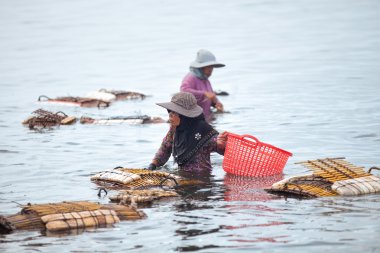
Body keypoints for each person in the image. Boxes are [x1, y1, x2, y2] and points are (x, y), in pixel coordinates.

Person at [148, 92, 228, 174]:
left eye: (174, 113)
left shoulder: (204, 131)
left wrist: (222, 144)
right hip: (182, 175)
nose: (170, 116)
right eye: (169, 112)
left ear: (184, 116)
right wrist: (153, 165)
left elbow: (224, 150)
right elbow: (165, 147)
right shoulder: (175, 128)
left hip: (201, 180)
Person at [180, 49, 225, 122]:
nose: (211, 70)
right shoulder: (190, 77)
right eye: (208, 67)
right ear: (200, 67)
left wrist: (216, 103)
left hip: (205, 119)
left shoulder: (206, 80)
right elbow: (184, 91)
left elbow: (211, 96)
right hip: (193, 120)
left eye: (212, 67)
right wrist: (204, 93)